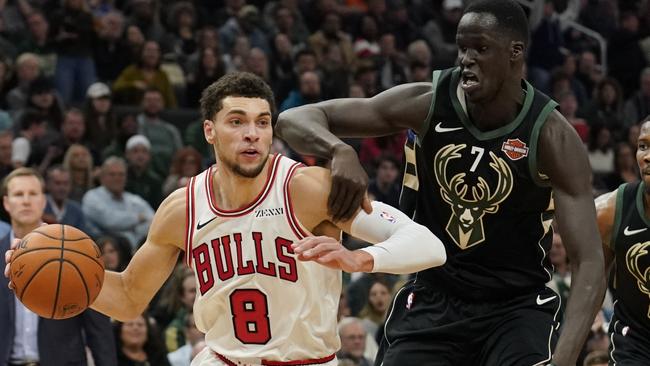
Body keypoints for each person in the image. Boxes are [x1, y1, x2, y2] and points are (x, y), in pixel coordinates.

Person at [5, 72, 447, 365]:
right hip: (221, 358)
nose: (252, 133)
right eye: (236, 121)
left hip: (307, 361)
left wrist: (359, 260)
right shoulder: (182, 207)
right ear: (209, 131)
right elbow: (127, 299)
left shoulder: (308, 189)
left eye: (262, 122)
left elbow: (429, 246)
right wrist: (55, 273)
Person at [275, 1, 606, 365]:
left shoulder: (551, 135)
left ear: (515, 53)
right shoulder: (429, 102)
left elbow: (589, 261)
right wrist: (339, 151)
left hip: (516, 307)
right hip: (434, 294)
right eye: (462, 47)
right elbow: (293, 119)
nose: (466, 58)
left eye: (480, 48)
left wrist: (564, 359)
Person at [0, 167, 117, 366]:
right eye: (18, 194)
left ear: (43, 201)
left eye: (33, 193)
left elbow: (98, 329)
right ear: (6, 203)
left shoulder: (75, 250)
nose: (26, 200)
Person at [595, 118, 650, 365]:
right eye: (643, 146)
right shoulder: (609, 210)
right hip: (634, 341)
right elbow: (589, 286)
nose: (647, 156)